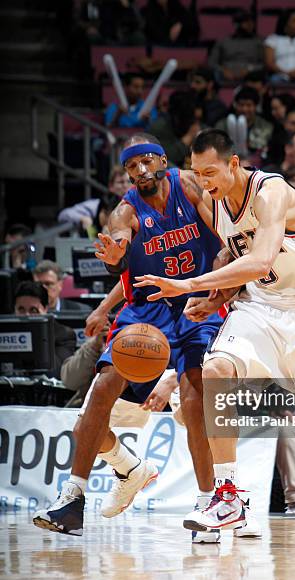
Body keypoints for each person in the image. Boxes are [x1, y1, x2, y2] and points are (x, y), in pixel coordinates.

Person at [133, 128, 295, 546]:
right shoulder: (216, 204)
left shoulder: (271, 190)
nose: (204, 182)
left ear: (234, 163)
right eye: (198, 174)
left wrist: (190, 286)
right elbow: (235, 257)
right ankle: (229, 493)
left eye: (211, 171)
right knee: (216, 369)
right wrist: (217, 297)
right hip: (262, 308)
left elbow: (261, 258)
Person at [32, 133, 233, 541]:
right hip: (147, 308)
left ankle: (207, 502)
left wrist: (219, 286)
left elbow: (226, 238)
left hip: (195, 298)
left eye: (146, 162)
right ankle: (73, 498)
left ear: (162, 161)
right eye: (131, 166)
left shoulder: (189, 186)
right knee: (103, 387)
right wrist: (115, 261)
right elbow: (124, 261)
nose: (140, 171)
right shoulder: (125, 213)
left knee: (195, 397)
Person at [14, 281, 76, 378]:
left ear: (45, 309)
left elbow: (56, 373)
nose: (26, 315)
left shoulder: (64, 334)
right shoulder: (6, 333)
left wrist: (37, 335)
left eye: (33, 310)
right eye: (21, 309)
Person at [57, 165, 130, 238]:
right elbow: (63, 214)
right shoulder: (98, 205)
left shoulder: (136, 206)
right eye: (121, 182)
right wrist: (82, 218)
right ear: (111, 186)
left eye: (129, 181)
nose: (126, 185)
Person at [208, 10, 264, 83]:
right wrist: (223, 70)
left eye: (251, 22)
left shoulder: (259, 42)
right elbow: (212, 63)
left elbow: (263, 64)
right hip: (225, 74)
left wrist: (250, 70)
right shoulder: (223, 41)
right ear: (236, 24)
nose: (250, 25)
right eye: (246, 22)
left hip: (251, 75)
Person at [215, 87, 273, 158]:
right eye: (241, 105)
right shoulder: (222, 124)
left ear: (255, 106)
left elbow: (261, 145)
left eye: (249, 105)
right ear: (235, 105)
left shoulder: (265, 126)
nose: (244, 109)